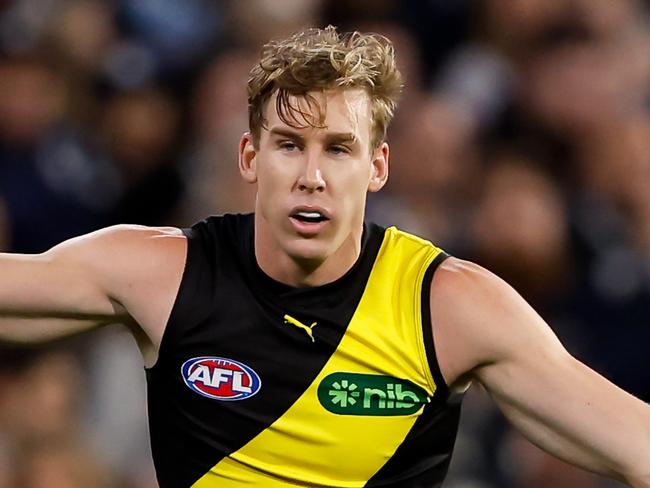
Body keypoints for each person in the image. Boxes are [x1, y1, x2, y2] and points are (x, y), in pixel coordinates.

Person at [0, 26, 648, 488]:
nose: (312, 175)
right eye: (288, 144)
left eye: (339, 149)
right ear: (250, 158)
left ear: (378, 167)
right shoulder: (164, 274)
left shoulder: (448, 305)